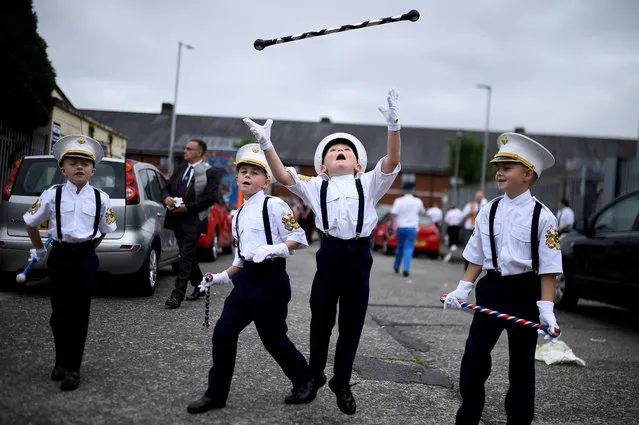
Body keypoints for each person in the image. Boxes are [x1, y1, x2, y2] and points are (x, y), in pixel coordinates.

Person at [242, 88, 401, 415]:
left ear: (358, 165)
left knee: (352, 322)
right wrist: (267, 145)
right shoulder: (316, 185)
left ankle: (341, 381)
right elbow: (283, 175)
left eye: (346, 150)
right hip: (329, 256)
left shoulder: (369, 183)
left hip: (358, 256)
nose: (340, 151)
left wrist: (394, 128)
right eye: (334, 151)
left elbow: (393, 161)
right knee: (321, 320)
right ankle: (314, 376)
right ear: (324, 167)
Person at [443, 132, 563, 425]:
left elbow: (548, 269)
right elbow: (477, 256)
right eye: (498, 167)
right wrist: (463, 289)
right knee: (474, 356)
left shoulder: (543, 217)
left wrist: (547, 310)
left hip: (525, 293)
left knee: (521, 366)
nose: (499, 172)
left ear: (527, 173)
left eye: (507, 167)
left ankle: (519, 421)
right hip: (493, 289)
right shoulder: (489, 210)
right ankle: (468, 415)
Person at [187, 143, 314, 414]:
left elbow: (298, 238)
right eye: (243, 171)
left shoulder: (275, 204)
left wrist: (276, 248)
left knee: (274, 340)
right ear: (236, 178)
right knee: (223, 333)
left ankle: (305, 378)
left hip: (271, 281)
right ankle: (216, 394)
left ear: (266, 181)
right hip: (245, 283)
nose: (247, 176)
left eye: (254, 172)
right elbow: (239, 260)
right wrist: (219, 276)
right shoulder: (238, 215)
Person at [23, 135, 117, 391]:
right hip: (60, 257)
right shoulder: (51, 194)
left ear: (93, 170)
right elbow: (30, 222)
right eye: (73, 162)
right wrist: (39, 249)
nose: (79, 167)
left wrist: (89, 247)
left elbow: (106, 228)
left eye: (85, 164)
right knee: (59, 314)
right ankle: (60, 361)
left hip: (85, 258)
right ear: (62, 169)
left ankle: (73, 368)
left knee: (79, 314)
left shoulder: (101, 198)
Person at [163, 139, 220, 309]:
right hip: (176, 218)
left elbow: (211, 197)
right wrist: (166, 197)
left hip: (194, 220)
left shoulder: (210, 172)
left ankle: (177, 295)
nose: (185, 151)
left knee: (185, 257)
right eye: (185, 148)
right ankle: (201, 286)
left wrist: (187, 208)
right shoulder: (181, 168)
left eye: (189, 149)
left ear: (199, 153)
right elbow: (167, 187)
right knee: (186, 255)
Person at [390, 187, 426, 277]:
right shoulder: (418, 201)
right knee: (408, 248)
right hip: (412, 228)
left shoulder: (399, 200)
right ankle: (406, 269)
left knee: (400, 248)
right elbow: (423, 212)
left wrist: (390, 228)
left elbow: (393, 214)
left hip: (401, 227)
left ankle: (396, 266)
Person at [461, 191, 487, 269]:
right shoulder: (469, 205)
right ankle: (466, 265)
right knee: (467, 247)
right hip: (469, 229)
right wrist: (471, 213)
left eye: (481, 197)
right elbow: (463, 217)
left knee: (478, 249)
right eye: (478, 196)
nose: (479, 198)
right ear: (475, 197)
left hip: (480, 230)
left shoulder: (485, 205)